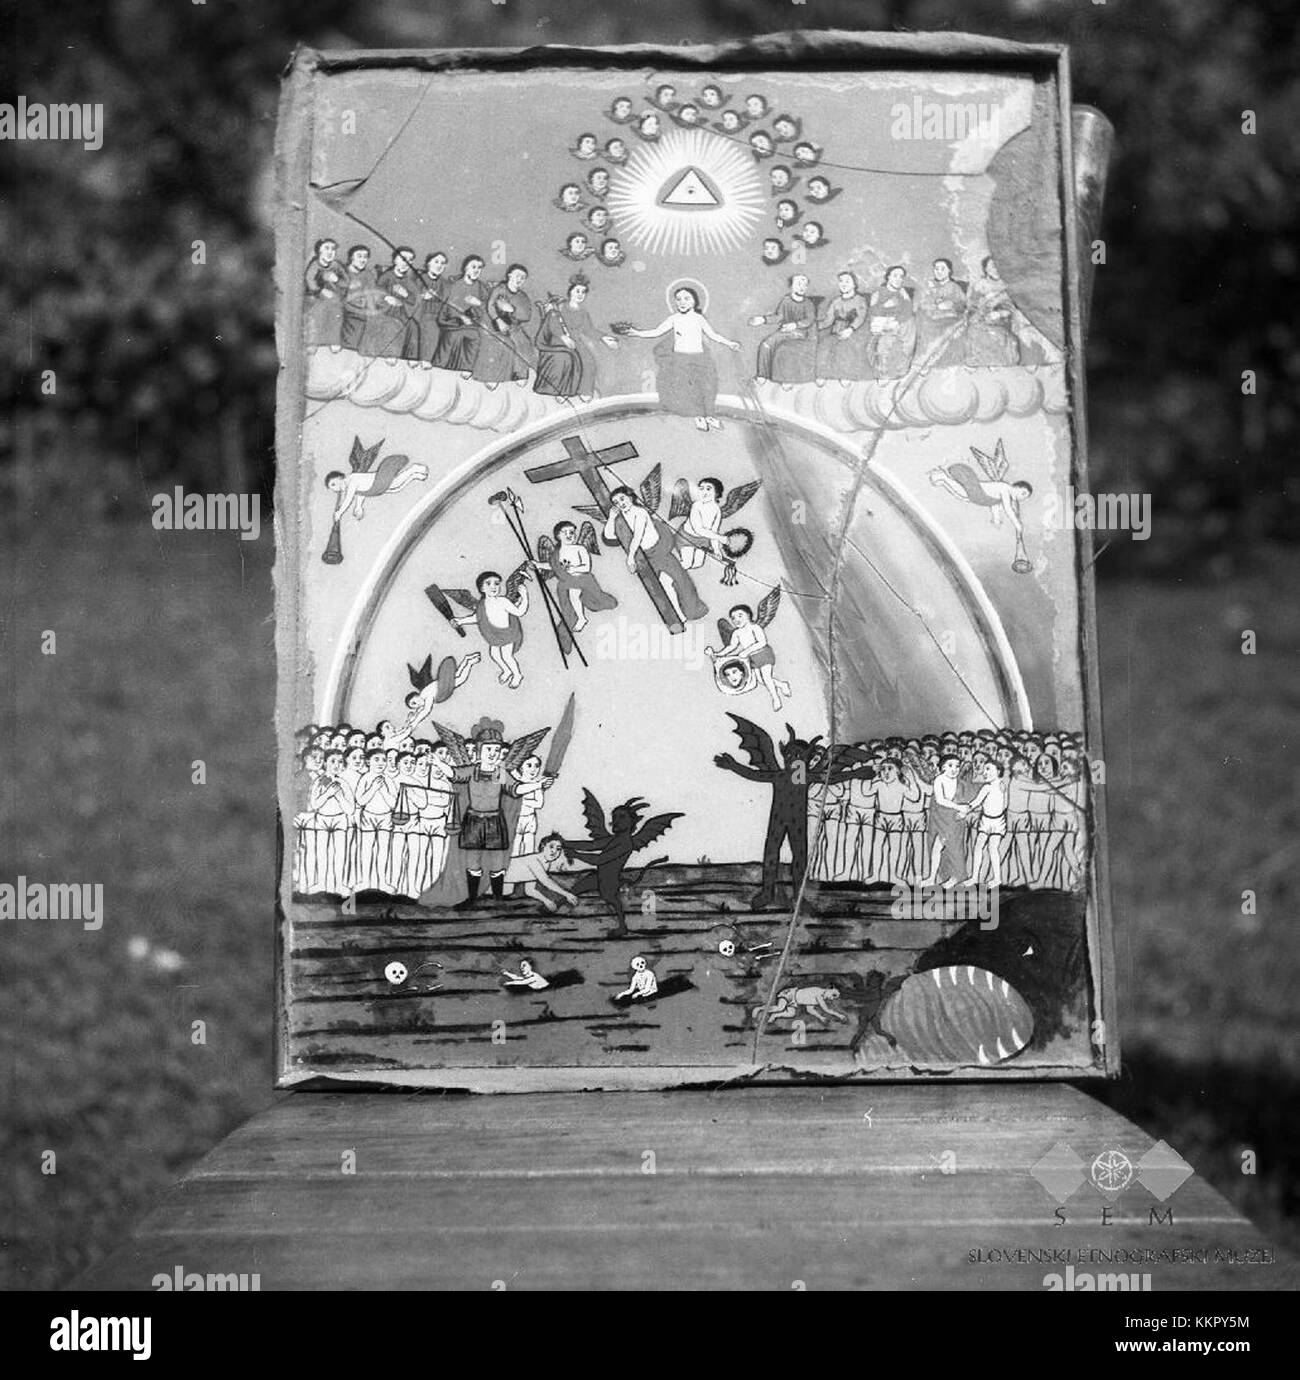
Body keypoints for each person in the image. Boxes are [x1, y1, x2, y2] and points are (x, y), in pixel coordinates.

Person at [625, 285, 741, 430]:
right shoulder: (674, 319)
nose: (682, 302)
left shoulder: (699, 318)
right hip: (681, 360)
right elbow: (657, 332)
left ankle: (710, 416)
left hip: (700, 359)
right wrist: (638, 333)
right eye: (678, 299)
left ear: (694, 301)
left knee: (707, 387)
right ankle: (699, 416)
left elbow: (713, 335)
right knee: (690, 389)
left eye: (686, 298)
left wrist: (729, 343)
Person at [605, 485, 708, 626]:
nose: (620, 503)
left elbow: (638, 536)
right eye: (616, 502)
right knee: (663, 587)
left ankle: (690, 610)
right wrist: (611, 518)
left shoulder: (640, 512)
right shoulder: (621, 519)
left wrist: (630, 558)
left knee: (679, 580)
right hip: (647, 558)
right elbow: (609, 536)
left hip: (660, 551)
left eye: (622, 499)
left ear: (630, 497)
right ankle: (678, 616)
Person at [532, 275, 619, 401]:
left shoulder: (583, 312)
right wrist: (563, 337)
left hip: (575, 342)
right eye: (577, 291)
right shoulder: (560, 307)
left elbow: (589, 330)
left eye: (583, 292)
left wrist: (604, 338)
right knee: (568, 358)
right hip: (557, 340)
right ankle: (562, 391)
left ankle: (584, 391)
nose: (580, 295)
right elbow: (552, 322)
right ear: (570, 292)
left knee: (588, 361)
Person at [451, 570, 531, 689]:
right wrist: (461, 620)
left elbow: (519, 612)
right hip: (494, 635)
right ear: (481, 588)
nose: (494, 587)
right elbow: (477, 617)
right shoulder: (482, 604)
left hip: (507, 634)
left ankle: (517, 675)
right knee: (494, 655)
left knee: (507, 656)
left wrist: (524, 596)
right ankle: (506, 671)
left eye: (497, 583)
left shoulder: (503, 601)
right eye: (488, 584)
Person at [707, 603, 791, 712]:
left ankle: (775, 698)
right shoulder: (737, 633)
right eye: (733, 618)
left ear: (749, 615)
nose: (736, 619)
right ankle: (782, 685)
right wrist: (718, 654)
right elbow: (731, 646)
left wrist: (747, 651)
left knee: (766, 677)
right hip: (751, 658)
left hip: (763, 653)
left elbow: (762, 642)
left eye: (740, 615)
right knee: (760, 679)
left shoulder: (754, 627)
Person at [537, 519, 618, 631]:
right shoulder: (557, 553)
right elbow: (554, 566)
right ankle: (578, 618)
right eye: (565, 532)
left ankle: (581, 618)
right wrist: (538, 565)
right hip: (567, 581)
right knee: (571, 593)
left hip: (583, 579)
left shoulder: (580, 549)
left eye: (571, 532)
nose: (569, 535)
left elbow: (586, 567)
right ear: (558, 536)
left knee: (573, 593)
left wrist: (573, 569)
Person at [749, 273, 818, 386]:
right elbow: (779, 316)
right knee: (766, 344)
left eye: (804, 284)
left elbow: (809, 320)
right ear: (792, 286)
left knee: (782, 346)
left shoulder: (808, 304)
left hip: (801, 333)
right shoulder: (786, 301)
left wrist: (795, 325)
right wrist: (763, 319)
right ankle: (763, 375)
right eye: (799, 283)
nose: (802, 287)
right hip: (786, 331)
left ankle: (783, 377)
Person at [473, 263, 534, 387]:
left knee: (523, 344)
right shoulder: (500, 289)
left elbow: (526, 315)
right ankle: (492, 376)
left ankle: (520, 374)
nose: (519, 279)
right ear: (509, 275)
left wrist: (512, 310)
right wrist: (498, 319)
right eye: (517, 276)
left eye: (523, 277)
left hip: (513, 327)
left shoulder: (522, 296)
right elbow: (490, 305)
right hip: (493, 324)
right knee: (501, 344)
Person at [324, 453, 429, 524]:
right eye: (332, 488)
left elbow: (349, 499)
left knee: (395, 484)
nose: (335, 489)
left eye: (333, 484)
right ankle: (415, 476)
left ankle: (414, 469)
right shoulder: (351, 484)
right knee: (396, 488)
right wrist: (358, 507)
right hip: (376, 488)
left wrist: (340, 513)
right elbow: (360, 494)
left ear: (339, 477)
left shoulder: (352, 480)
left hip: (379, 480)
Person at [432, 254, 487, 375]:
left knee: (474, 337)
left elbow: (486, 309)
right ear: (465, 268)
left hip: (472, 324)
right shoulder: (455, 285)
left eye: (479, 267)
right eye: (473, 267)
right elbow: (448, 306)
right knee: (454, 336)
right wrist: (461, 317)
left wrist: (478, 304)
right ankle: (439, 368)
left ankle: (466, 369)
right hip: (452, 322)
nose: (476, 270)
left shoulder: (481, 288)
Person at [958, 760, 1008, 887]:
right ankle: (974, 877)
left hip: (998, 821)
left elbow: (1005, 805)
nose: (984, 773)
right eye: (984, 770)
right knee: (979, 846)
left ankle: (997, 878)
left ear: (998, 771)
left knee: (993, 848)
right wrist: (966, 810)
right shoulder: (987, 787)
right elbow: (976, 802)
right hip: (986, 821)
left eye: (988, 769)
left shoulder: (1002, 786)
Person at [964, 256, 1021, 366]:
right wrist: (981, 307)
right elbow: (972, 305)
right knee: (974, 330)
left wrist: (1000, 313)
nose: (995, 269)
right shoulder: (980, 285)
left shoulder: (1008, 285)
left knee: (999, 334)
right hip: (982, 318)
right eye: (991, 267)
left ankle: (1000, 363)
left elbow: (1013, 306)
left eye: (998, 266)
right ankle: (979, 363)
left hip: (1004, 319)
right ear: (985, 269)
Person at [816, 269, 870, 383]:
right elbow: (828, 321)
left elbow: (861, 318)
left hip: (855, 332)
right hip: (836, 332)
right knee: (824, 346)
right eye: (841, 281)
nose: (844, 284)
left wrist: (851, 329)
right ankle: (823, 374)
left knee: (844, 348)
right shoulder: (836, 301)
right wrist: (814, 326)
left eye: (847, 281)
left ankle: (845, 376)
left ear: (854, 284)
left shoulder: (860, 300)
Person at [503, 834, 579, 914]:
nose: (554, 851)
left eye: (558, 849)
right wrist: (567, 894)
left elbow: (529, 890)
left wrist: (546, 901)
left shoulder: (546, 864)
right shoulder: (534, 860)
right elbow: (545, 880)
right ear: (543, 846)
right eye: (551, 846)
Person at [922, 754, 966, 886]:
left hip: (954, 821)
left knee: (953, 849)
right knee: (936, 848)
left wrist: (964, 810)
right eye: (950, 765)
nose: (954, 769)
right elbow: (940, 800)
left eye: (957, 766)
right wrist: (959, 807)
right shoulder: (939, 780)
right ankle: (932, 877)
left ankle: (956, 877)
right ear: (943, 767)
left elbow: (967, 800)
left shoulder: (961, 783)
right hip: (941, 819)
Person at [915, 257, 967, 366]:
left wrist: (952, 304)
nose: (939, 272)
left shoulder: (954, 287)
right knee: (922, 322)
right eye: (936, 269)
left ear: (949, 271)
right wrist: (936, 307)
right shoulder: (928, 285)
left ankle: (937, 361)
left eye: (942, 269)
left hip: (949, 318)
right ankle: (924, 361)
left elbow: (963, 305)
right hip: (930, 316)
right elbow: (922, 303)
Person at [867, 264, 916, 378]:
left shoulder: (902, 292)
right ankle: (883, 371)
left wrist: (896, 321)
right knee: (885, 343)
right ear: (888, 277)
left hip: (899, 324)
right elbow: (873, 311)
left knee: (910, 322)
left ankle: (901, 369)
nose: (898, 279)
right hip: (881, 323)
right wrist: (885, 306)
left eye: (901, 277)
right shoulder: (879, 292)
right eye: (895, 276)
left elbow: (908, 310)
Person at [375, 246, 422, 359]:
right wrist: (387, 298)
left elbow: (413, 299)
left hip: (401, 312)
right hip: (385, 311)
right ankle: (390, 354)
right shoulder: (387, 276)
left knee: (413, 327)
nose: (407, 262)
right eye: (403, 258)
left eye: (410, 260)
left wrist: (405, 294)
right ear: (395, 260)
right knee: (393, 324)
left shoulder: (408, 281)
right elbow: (376, 293)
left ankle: (410, 357)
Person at [304, 238, 346, 349]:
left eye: (333, 249)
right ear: (319, 251)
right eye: (326, 248)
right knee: (318, 311)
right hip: (316, 296)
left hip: (335, 297)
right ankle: (313, 342)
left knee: (337, 312)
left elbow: (346, 283)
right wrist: (321, 290)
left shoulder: (336, 265)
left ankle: (333, 340)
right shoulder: (315, 265)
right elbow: (310, 281)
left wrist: (336, 280)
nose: (330, 252)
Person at [339, 245, 380, 354]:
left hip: (362, 310)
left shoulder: (368, 275)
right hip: (345, 309)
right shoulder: (343, 272)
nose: (363, 260)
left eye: (365, 257)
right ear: (351, 258)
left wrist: (373, 311)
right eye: (359, 256)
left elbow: (371, 295)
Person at [414, 251, 449, 367]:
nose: (439, 265)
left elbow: (447, 301)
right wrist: (423, 297)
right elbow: (411, 297)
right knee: (431, 327)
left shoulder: (444, 283)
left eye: (443, 263)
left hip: (438, 315)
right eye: (436, 262)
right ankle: (425, 359)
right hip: (420, 313)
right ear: (428, 264)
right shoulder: (419, 279)